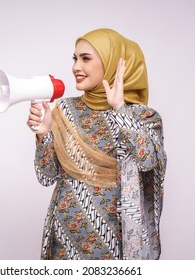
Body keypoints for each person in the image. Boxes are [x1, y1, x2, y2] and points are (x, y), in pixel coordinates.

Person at [27, 28, 167, 260]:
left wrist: (120, 109)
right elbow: (46, 176)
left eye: (86, 58)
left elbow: (149, 161)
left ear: (113, 63)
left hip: (116, 239)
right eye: (75, 58)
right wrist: (44, 135)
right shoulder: (65, 110)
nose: (76, 67)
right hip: (65, 236)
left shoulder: (144, 117)